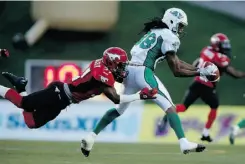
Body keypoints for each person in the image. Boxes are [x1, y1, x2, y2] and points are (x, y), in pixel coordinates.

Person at [81, 8, 216, 156]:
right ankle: (184, 142)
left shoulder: (155, 32)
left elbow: (177, 62)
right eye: (180, 25)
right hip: (143, 72)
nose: (181, 29)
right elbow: (177, 70)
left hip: (129, 70)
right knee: (170, 107)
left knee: (119, 109)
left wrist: (200, 70)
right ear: (173, 21)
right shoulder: (169, 36)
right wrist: (200, 72)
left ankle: (91, 137)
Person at [0, 47, 157, 129]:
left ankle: (20, 86)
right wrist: (140, 96)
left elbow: (116, 77)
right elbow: (116, 98)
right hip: (59, 93)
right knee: (22, 103)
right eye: (120, 65)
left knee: (32, 123)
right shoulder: (102, 73)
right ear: (111, 62)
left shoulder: (104, 67)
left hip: (64, 101)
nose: (122, 68)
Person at [158, 33, 245, 142]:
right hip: (207, 85)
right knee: (214, 105)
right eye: (224, 44)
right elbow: (233, 73)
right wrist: (242, 74)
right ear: (217, 44)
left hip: (196, 83)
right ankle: (205, 133)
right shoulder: (221, 57)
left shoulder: (206, 50)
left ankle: (168, 114)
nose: (226, 47)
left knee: (184, 107)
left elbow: (197, 62)